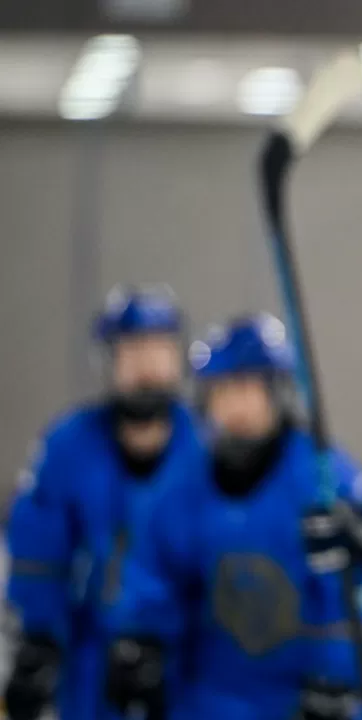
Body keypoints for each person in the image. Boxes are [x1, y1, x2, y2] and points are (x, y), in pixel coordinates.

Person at [105, 312, 362, 720]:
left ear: (276, 394)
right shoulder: (183, 484)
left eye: (250, 388)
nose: (236, 406)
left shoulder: (323, 480)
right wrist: (141, 643)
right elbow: (153, 572)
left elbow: (354, 593)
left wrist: (337, 676)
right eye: (224, 391)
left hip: (295, 700)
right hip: (205, 697)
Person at [4, 285, 202, 720]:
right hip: (90, 662)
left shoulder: (208, 451)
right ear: (110, 361)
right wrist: (40, 640)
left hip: (190, 668)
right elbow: (38, 550)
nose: (146, 367)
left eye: (157, 350)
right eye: (132, 352)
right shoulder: (68, 446)